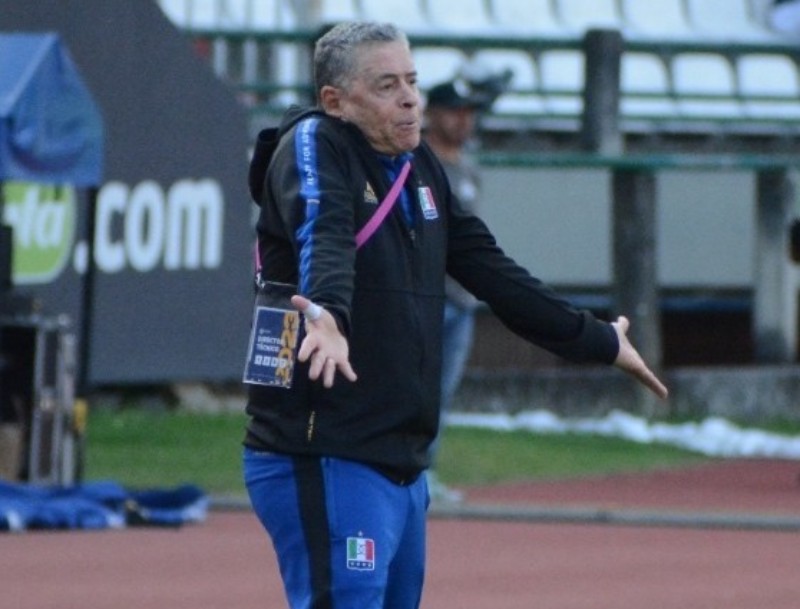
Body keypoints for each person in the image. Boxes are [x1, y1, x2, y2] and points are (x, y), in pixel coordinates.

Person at [243, 21, 668, 609]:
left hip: (399, 460)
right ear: (335, 101)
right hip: (325, 451)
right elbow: (326, 231)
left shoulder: (418, 164)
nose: (410, 99)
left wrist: (597, 339)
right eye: (387, 85)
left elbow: (490, 270)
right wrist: (328, 314)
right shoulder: (315, 143)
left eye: (412, 81)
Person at [422, 77, 489, 503]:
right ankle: (406, 471)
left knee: (441, 393)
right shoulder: (419, 163)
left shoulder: (469, 169)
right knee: (415, 389)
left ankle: (425, 470)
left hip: (462, 300)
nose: (463, 121)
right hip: (428, 297)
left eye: (468, 113)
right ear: (432, 113)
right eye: (454, 112)